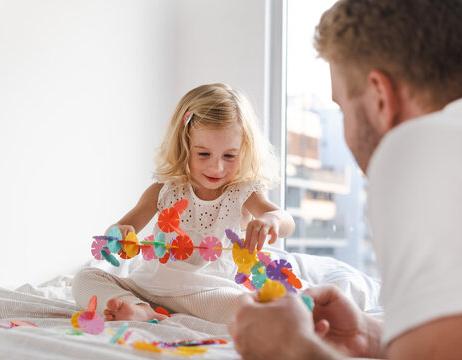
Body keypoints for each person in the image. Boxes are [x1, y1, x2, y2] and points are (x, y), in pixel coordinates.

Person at [228, 0, 462, 359]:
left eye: (341, 107)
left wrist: (293, 349)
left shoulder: (419, 147)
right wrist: (371, 335)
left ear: (381, 96)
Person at [72, 83, 295, 323]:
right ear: (184, 145)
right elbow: (116, 232)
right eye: (203, 154)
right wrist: (119, 234)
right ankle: (140, 309)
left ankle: (147, 312)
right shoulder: (165, 190)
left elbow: (286, 221)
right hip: (150, 288)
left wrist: (272, 220)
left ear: (245, 150)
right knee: (85, 279)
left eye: (229, 156)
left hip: (209, 294)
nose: (217, 167)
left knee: (252, 309)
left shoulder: (244, 192)